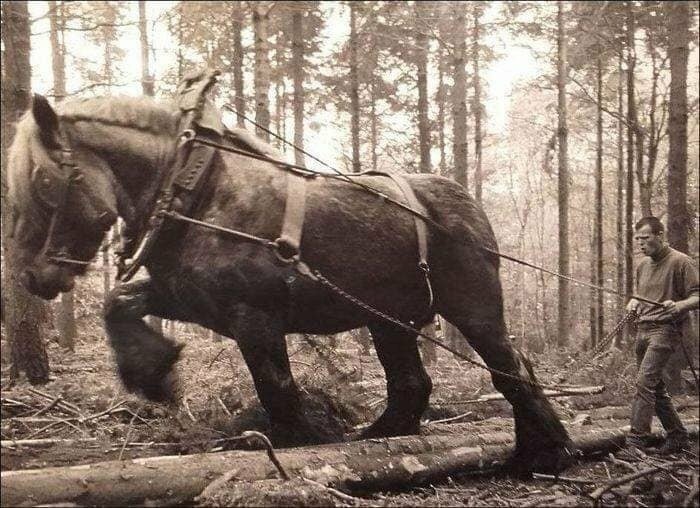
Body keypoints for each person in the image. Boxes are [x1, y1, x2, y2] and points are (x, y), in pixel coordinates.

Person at [625, 216, 699, 454]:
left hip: (666, 330)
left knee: (644, 383)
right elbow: (642, 292)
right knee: (654, 387)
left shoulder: (681, 262)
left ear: (660, 235)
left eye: (645, 238)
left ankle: (636, 441)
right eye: (638, 239)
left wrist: (679, 306)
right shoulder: (643, 266)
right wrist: (635, 301)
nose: (641, 244)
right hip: (643, 329)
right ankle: (678, 436)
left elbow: (697, 296)